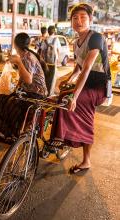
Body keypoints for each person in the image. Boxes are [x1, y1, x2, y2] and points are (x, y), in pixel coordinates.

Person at [50, 3, 109, 174]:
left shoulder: (95, 37)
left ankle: (86, 160)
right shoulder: (76, 42)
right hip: (85, 84)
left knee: (72, 103)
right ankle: (62, 137)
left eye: (83, 17)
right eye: (75, 18)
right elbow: (78, 65)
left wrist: (75, 95)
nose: (79, 21)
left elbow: (88, 66)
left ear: (90, 20)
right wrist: (68, 78)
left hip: (98, 87)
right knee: (60, 98)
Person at [0, 32, 48, 142]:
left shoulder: (28, 57)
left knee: (13, 103)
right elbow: (22, 78)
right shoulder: (23, 56)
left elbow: (28, 80)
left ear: (15, 45)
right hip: (27, 91)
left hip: (37, 93)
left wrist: (18, 62)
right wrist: (16, 88)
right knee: (1, 98)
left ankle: (13, 134)